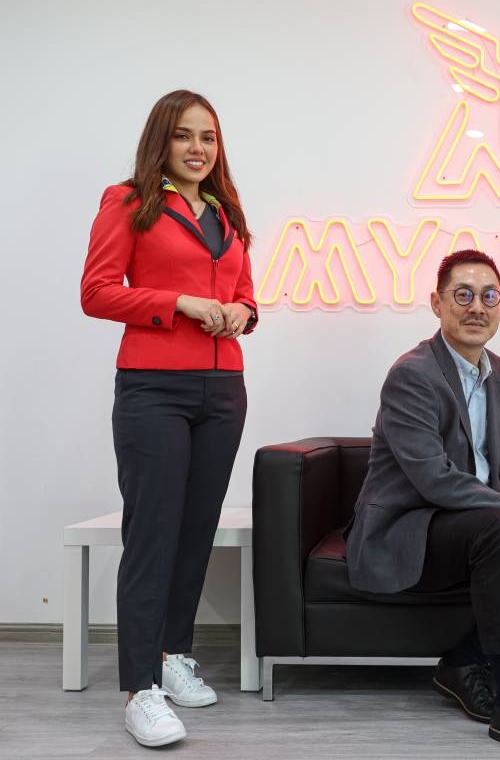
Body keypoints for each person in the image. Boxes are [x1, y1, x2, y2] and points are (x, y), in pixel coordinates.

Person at [346, 249, 500, 757]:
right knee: (496, 527)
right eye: (462, 295)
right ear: (437, 304)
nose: (475, 307)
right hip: (410, 528)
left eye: (488, 296)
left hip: (484, 529)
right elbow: (434, 479)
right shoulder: (412, 375)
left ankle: (463, 663)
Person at [81, 90, 258, 748]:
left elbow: (243, 293)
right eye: (184, 136)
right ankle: (139, 690)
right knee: (152, 533)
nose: (197, 149)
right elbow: (96, 291)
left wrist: (243, 310)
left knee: (194, 531)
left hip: (224, 388)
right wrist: (178, 302)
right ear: (163, 140)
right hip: (154, 387)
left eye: (207, 137)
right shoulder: (127, 201)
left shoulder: (225, 211)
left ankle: (171, 656)